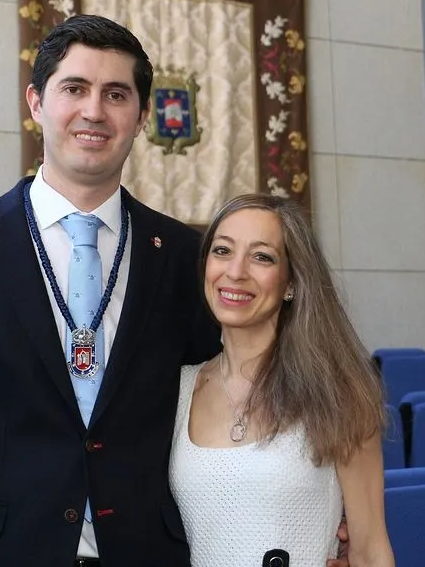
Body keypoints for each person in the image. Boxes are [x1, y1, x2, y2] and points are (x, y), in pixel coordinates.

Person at [0, 14, 351, 567]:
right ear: (36, 102)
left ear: (142, 117)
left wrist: (325, 518)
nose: (94, 111)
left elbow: (247, 390)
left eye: (116, 95)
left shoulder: (184, 256)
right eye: (74, 88)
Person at [169, 193, 395, 567]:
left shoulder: (338, 393)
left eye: (262, 257)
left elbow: (370, 549)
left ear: (291, 282)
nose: (236, 271)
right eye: (222, 251)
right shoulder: (176, 390)